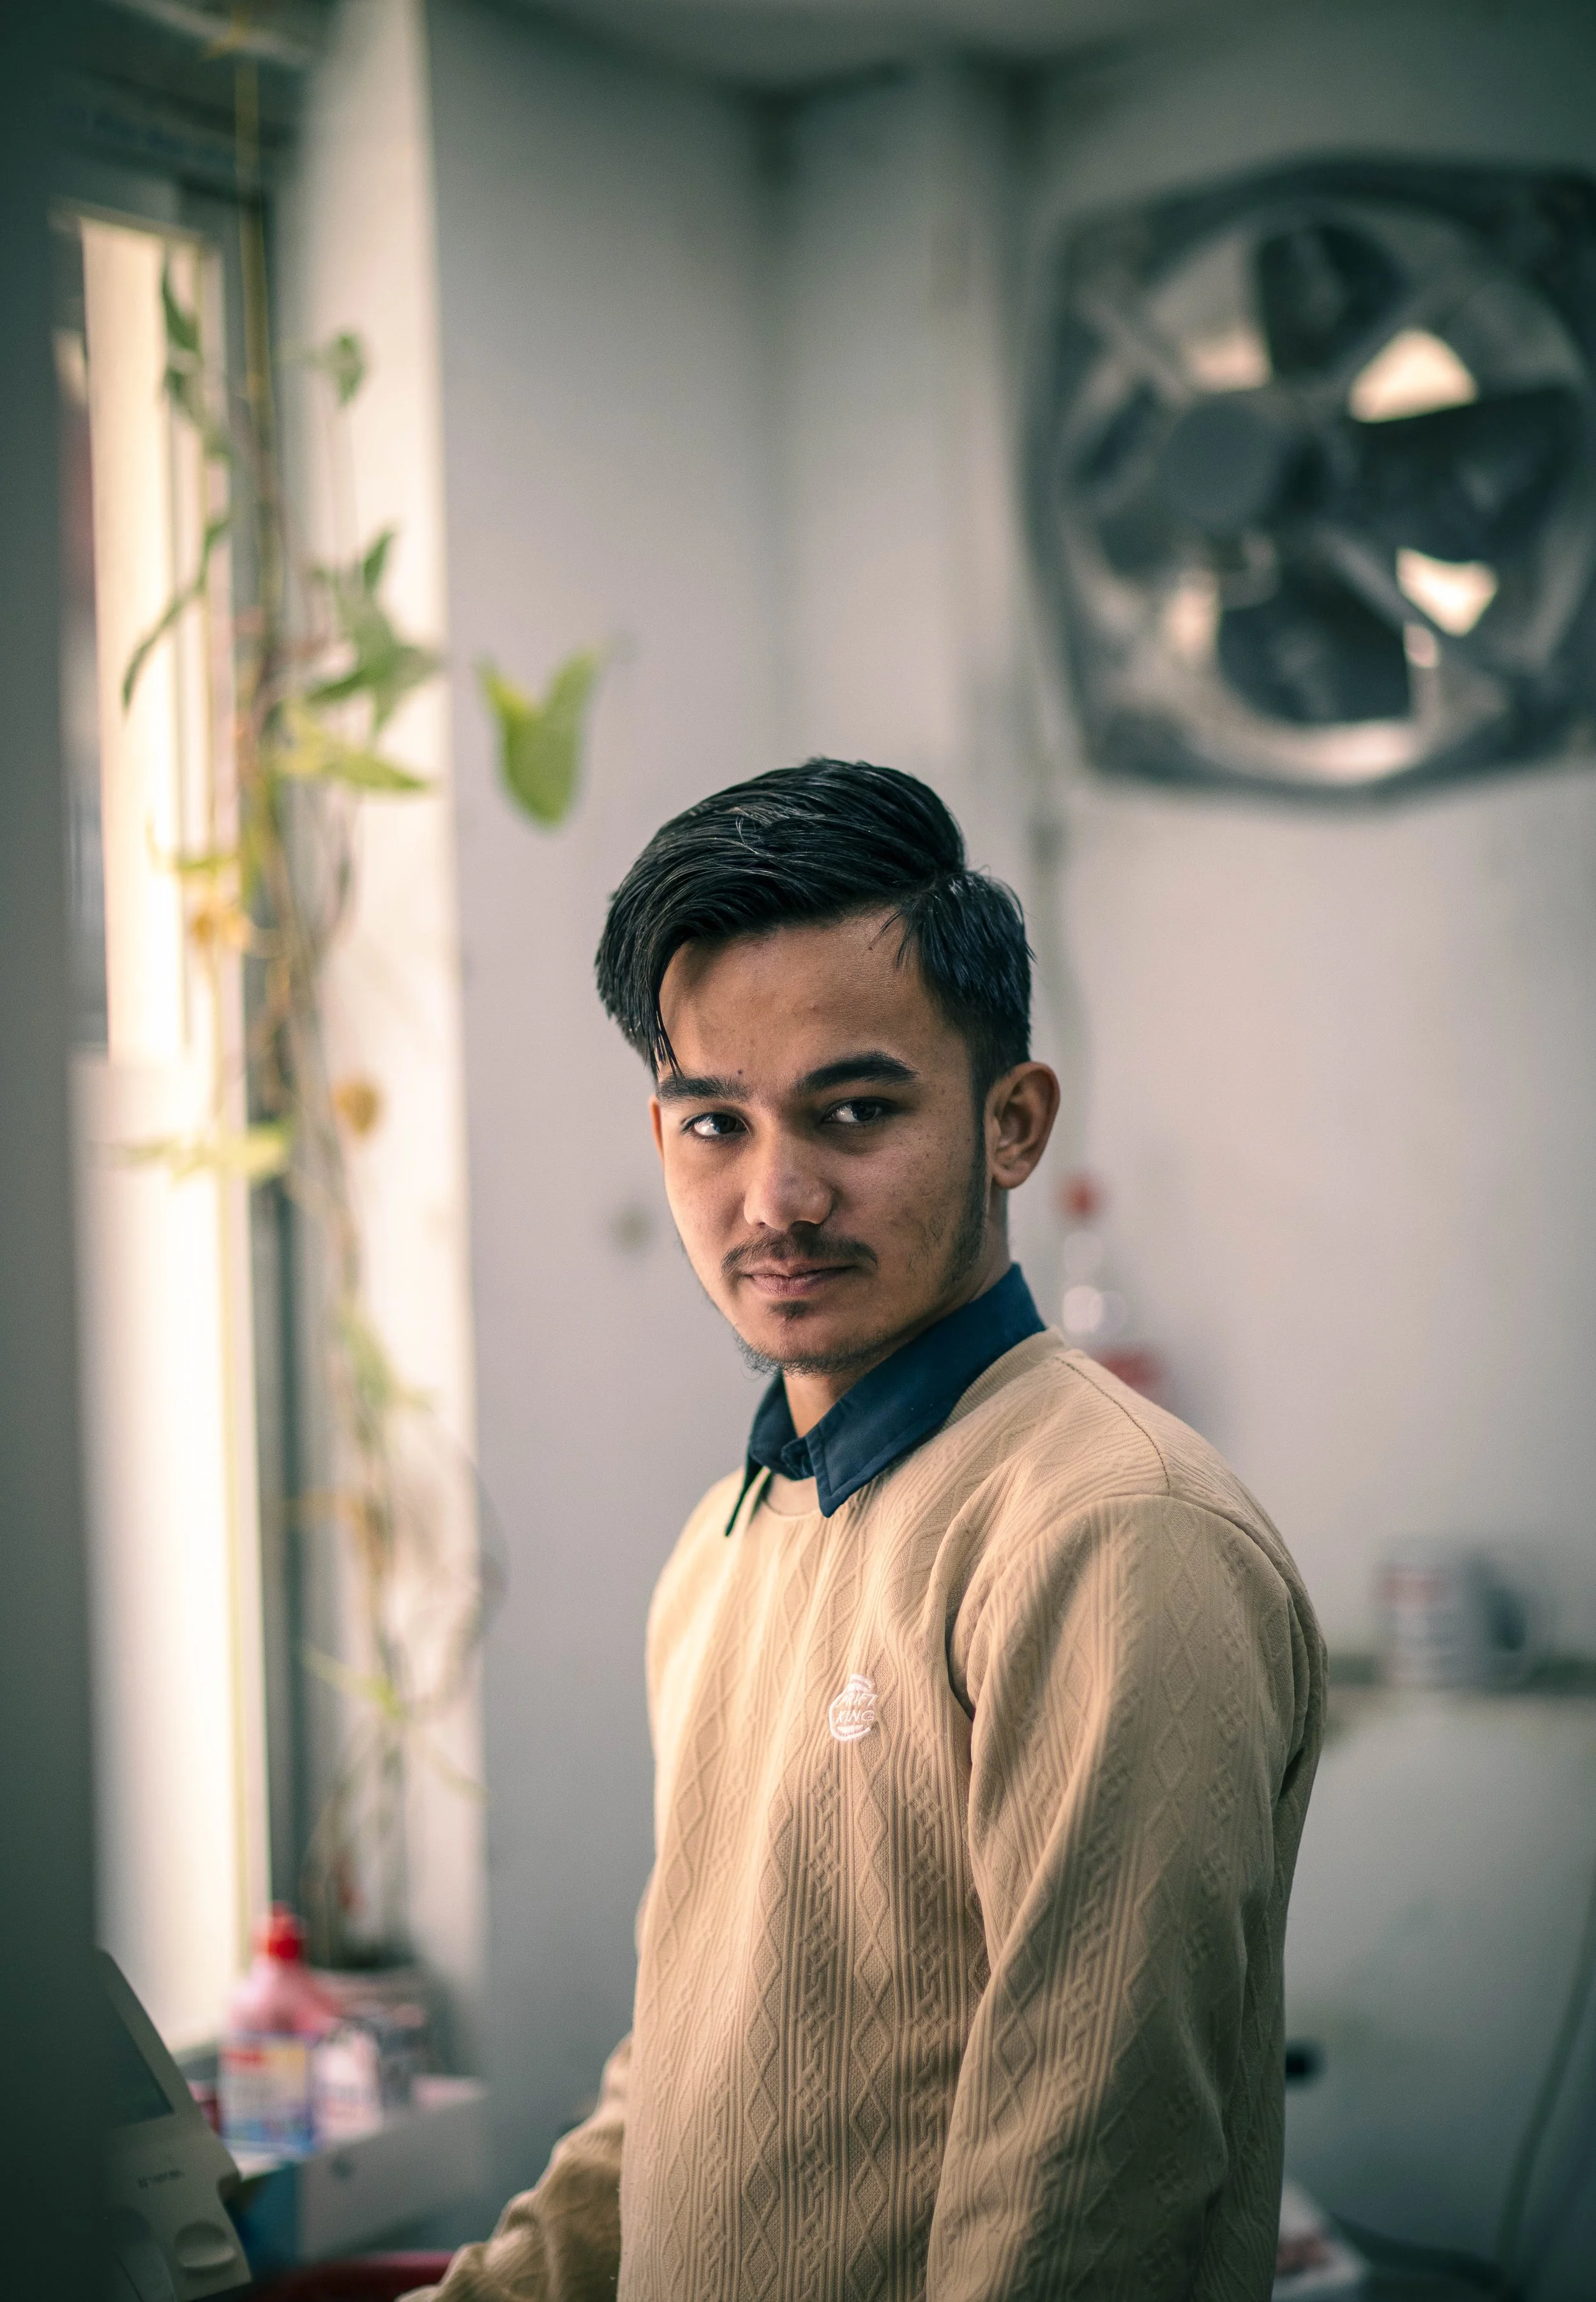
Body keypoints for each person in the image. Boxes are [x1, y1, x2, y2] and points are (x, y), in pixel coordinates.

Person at [412, 761, 1324, 2302]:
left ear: (1011, 1122)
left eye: (854, 1108)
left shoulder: (1108, 1536)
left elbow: (1080, 2201)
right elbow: (678, 2090)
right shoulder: (728, 1537)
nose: (776, 1195)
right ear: (662, 1144)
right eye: (716, 1120)